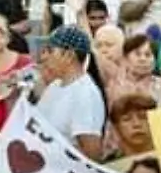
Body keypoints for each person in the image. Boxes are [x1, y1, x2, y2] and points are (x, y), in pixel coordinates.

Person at [35, 25, 108, 160]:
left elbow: (92, 154)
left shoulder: (85, 94)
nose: (44, 56)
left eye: (50, 51)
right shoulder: (54, 86)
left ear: (68, 55)